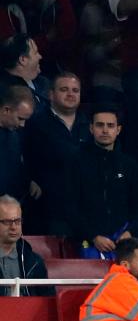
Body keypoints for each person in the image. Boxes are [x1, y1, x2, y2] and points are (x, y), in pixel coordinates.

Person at [73, 105, 138, 259]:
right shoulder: (76, 162)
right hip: (86, 243)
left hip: (125, 244)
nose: (105, 130)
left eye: (110, 125)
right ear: (91, 128)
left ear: (118, 130)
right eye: (100, 125)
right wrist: (93, 236)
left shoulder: (130, 165)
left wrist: (130, 233)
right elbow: (69, 206)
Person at [22, 72, 90, 236]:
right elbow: (22, 157)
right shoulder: (36, 123)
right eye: (64, 89)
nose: (70, 94)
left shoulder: (90, 124)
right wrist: (29, 180)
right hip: (47, 208)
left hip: (84, 208)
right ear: (51, 94)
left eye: (75, 90)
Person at [0, 195, 52, 296]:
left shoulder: (34, 261)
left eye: (17, 221)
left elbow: (47, 298)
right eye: (7, 222)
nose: (13, 227)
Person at [0, 84, 37, 203]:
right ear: (6, 109)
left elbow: (15, 164)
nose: (22, 125)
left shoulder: (14, 135)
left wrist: (28, 181)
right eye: (20, 118)